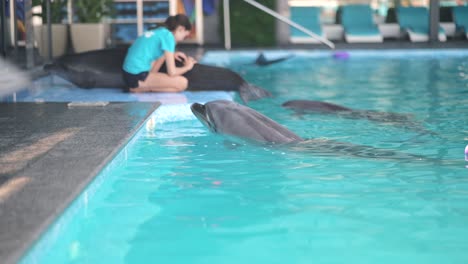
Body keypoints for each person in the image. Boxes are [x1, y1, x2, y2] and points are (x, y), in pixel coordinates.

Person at [122, 14, 196, 93]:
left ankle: (141, 86)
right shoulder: (169, 36)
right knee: (183, 83)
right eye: (185, 36)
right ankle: (138, 88)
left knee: (162, 56)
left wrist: (171, 54)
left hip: (129, 75)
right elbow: (172, 72)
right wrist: (188, 66)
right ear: (181, 29)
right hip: (137, 76)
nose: (182, 39)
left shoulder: (159, 31)